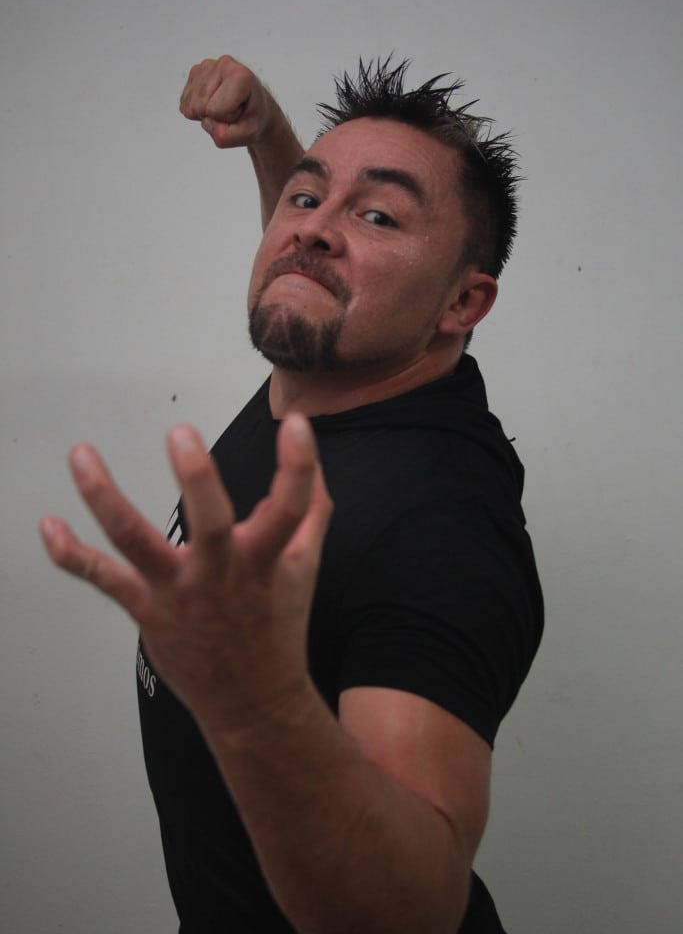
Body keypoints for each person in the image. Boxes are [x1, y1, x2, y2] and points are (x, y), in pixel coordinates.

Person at [40, 54, 543, 933]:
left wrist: (252, 704)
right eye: (305, 198)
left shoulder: (438, 526)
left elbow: (419, 910)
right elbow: (316, 260)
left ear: (462, 303)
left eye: (378, 215)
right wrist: (270, 136)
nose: (311, 232)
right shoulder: (343, 358)